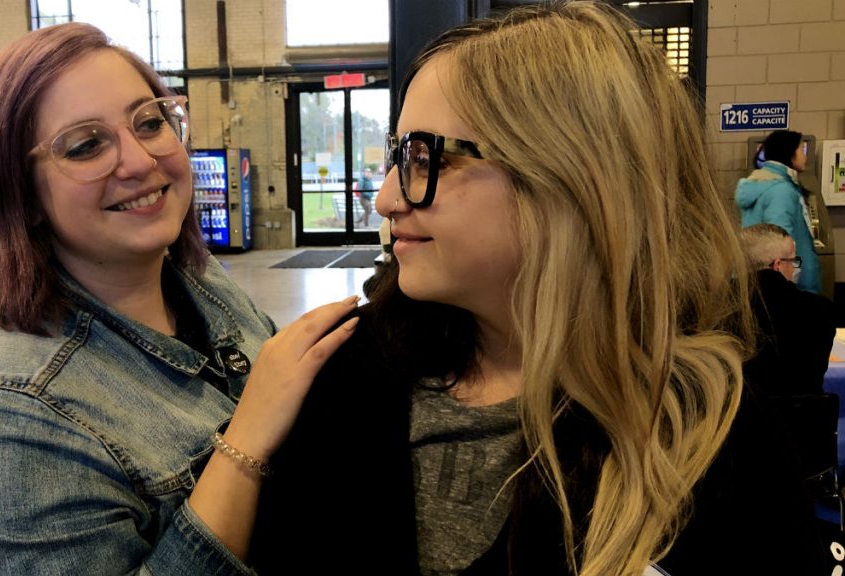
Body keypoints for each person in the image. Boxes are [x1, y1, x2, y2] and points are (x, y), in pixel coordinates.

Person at [251, 3, 825, 575]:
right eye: (398, 155)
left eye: (426, 159)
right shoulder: (342, 377)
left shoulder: (708, 432)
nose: (387, 200)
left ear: (568, 178)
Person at [0, 22, 358, 575]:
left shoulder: (199, 280)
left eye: (149, 122)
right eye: (86, 145)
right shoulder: (1, 420)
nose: (142, 161)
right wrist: (245, 444)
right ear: (16, 190)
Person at [739, 223, 834, 396]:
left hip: (738, 418)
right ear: (777, 265)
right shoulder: (820, 310)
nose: (796, 268)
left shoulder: (719, 309)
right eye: (794, 260)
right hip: (802, 417)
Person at [736, 129, 822, 294]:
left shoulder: (761, 183)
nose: (805, 156)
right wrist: (794, 284)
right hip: (788, 288)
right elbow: (782, 245)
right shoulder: (781, 189)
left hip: (759, 280)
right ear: (789, 152)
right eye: (801, 150)